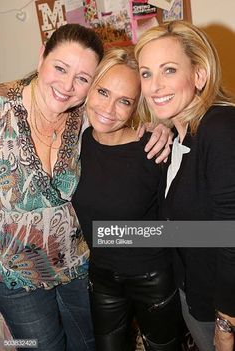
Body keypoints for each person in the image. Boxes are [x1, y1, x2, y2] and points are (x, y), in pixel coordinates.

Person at [0, 23, 172, 351]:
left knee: (89, 344)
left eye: (83, 79)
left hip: (80, 267)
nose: (67, 86)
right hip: (18, 277)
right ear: (42, 58)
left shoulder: (84, 117)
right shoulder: (4, 106)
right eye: (61, 68)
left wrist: (162, 126)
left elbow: (119, 113)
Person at [72, 47, 182, 351]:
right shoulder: (79, 142)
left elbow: (184, 225)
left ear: (136, 106)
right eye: (103, 92)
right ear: (90, 88)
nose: (109, 109)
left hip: (152, 278)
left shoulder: (154, 149)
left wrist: (167, 126)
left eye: (124, 101)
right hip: (103, 278)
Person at [134, 20, 235, 351]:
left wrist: (226, 324)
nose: (155, 85)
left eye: (169, 70)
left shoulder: (219, 127)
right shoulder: (180, 135)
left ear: (200, 75)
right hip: (192, 297)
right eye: (146, 73)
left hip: (220, 311)